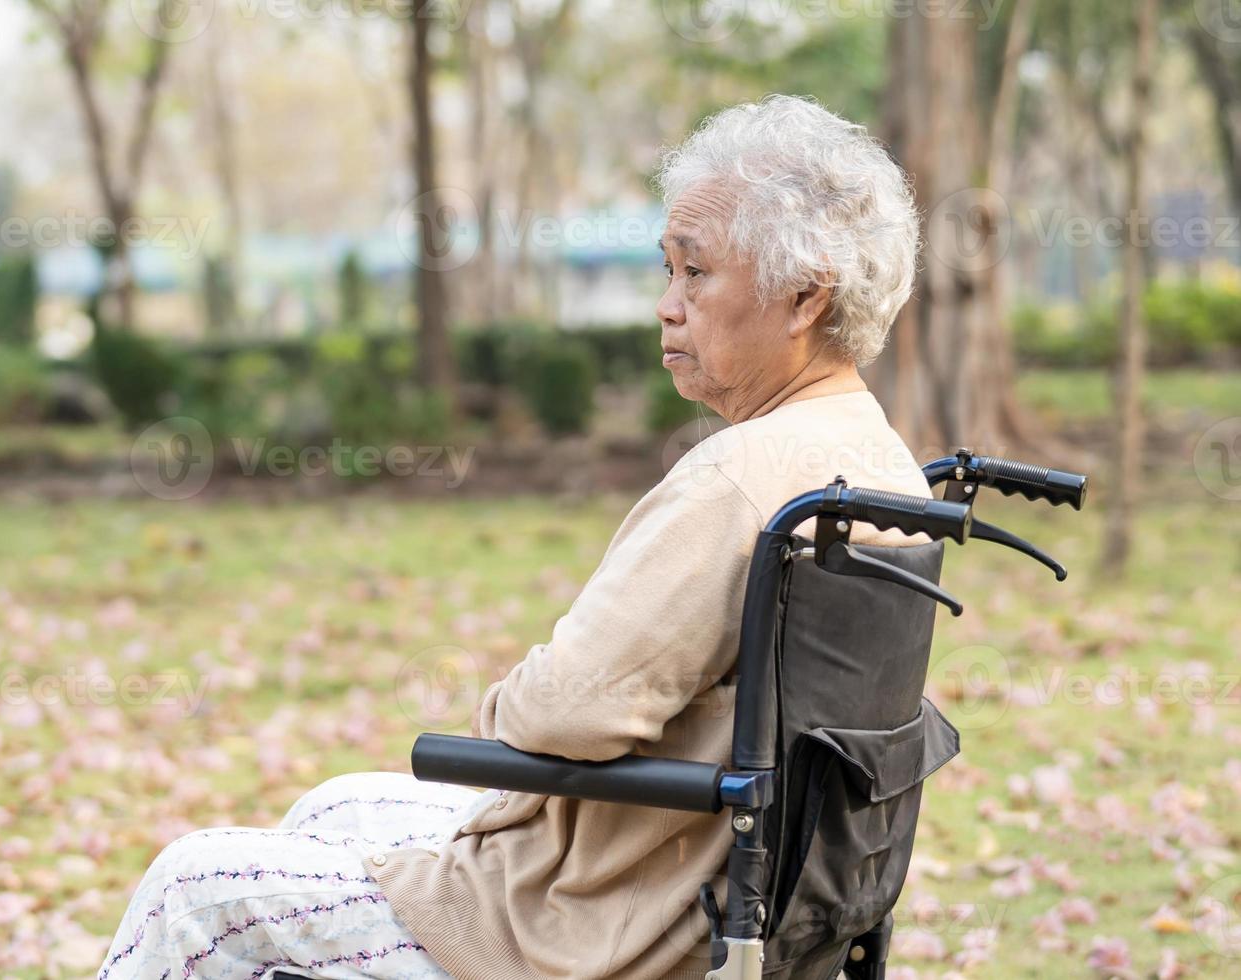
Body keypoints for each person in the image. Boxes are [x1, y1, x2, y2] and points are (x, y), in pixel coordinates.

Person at [99, 93, 930, 980]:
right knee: (335, 806)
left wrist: (504, 707)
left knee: (195, 889)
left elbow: (562, 710)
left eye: (695, 274)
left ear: (804, 297)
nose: (666, 305)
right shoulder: (879, 461)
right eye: (667, 270)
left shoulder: (739, 479)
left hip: (610, 926)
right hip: (720, 889)